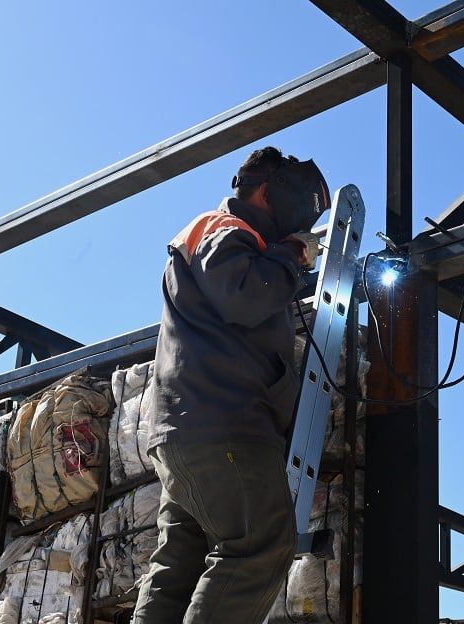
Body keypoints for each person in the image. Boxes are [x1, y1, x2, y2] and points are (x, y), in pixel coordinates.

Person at [130, 146, 330, 624]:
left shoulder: (235, 240)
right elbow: (246, 294)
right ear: (265, 192)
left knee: (180, 563)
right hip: (223, 428)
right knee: (261, 545)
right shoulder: (223, 231)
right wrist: (293, 254)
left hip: (191, 430)